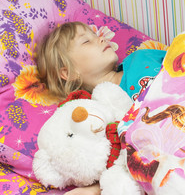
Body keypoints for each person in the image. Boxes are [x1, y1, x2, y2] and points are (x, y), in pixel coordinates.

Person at [36, 21, 166, 195]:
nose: (101, 39)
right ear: (69, 73)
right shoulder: (99, 115)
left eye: (96, 35)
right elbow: (119, 159)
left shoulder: (140, 58)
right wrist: (96, 189)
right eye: (86, 41)